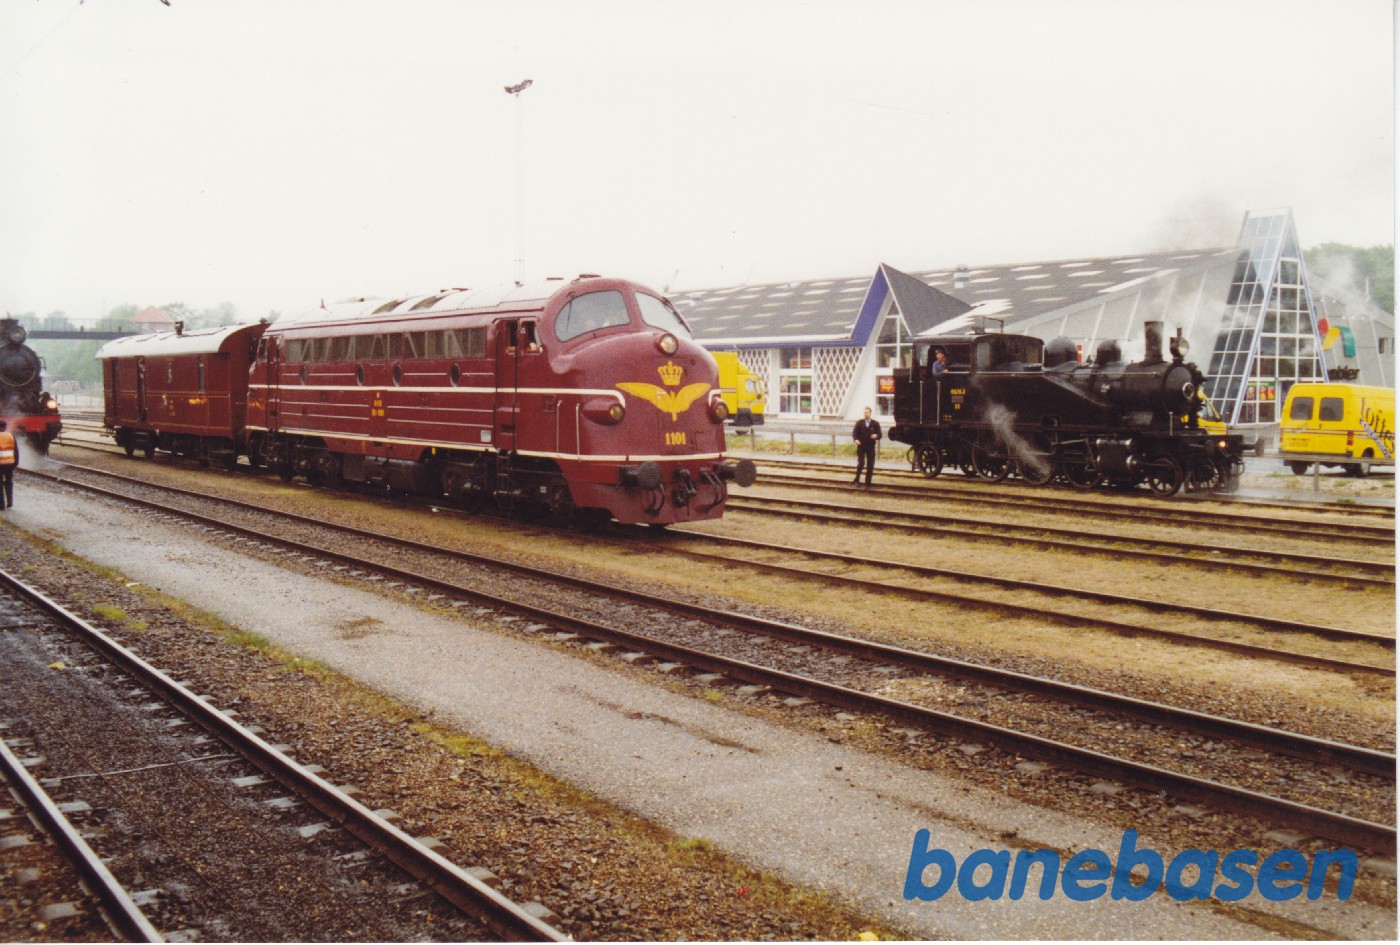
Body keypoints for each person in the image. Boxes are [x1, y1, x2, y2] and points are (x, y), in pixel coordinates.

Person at [852, 406, 881, 487]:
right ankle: (856, 480)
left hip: (870, 446)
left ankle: (868, 483)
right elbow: (855, 433)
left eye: (867, 412)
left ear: (870, 413)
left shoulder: (875, 424)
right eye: (864, 412)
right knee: (861, 463)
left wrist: (876, 435)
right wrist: (856, 439)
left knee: (870, 465)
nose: (865, 414)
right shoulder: (859, 423)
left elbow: (880, 434)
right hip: (861, 446)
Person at [0, 421, 17, 509]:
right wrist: (15, 464)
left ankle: (1, 505)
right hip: (9, 464)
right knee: (9, 482)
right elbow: (16, 452)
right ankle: (10, 502)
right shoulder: (11, 436)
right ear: (5, 427)